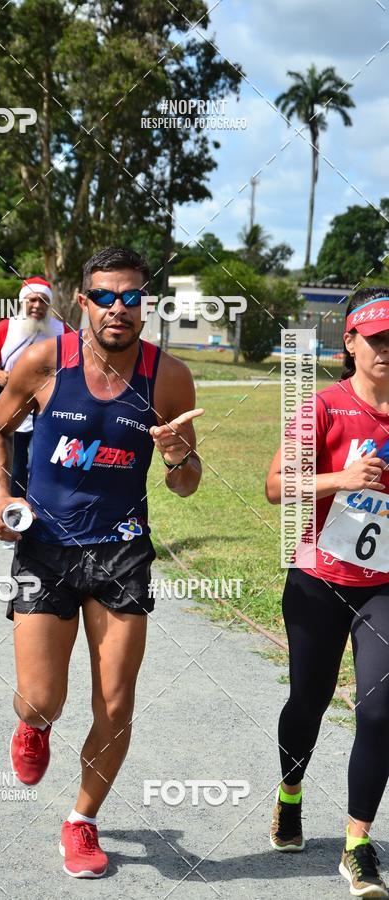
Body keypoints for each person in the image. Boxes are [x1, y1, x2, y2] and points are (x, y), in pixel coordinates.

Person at [0, 246, 203, 878]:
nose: (117, 308)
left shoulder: (169, 377)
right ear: (83, 302)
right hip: (46, 545)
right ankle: (34, 725)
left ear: (145, 304)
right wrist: (0, 497)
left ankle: (81, 820)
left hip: (121, 550)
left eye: (131, 296)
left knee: (116, 703)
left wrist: (178, 456)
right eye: (104, 296)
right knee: (41, 698)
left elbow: (187, 483)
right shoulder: (46, 360)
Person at [265, 287, 389, 897]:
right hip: (317, 578)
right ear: (351, 342)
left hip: (383, 586)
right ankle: (290, 794)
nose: (387, 349)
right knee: (308, 702)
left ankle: (357, 842)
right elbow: (275, 485)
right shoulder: (325, 406)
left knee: (380, 709)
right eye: (377, 339)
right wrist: (341, 477)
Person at [0, 276, 69, 498]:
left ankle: (44, 505)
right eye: (32, 300)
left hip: (50, 409)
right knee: (17, 465)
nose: (37, 305)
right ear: (22, 302)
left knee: (44, 462)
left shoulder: (63, 330)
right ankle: (15, 506)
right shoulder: (5, 328)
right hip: (13, 407)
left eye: (43, 300)